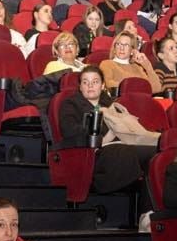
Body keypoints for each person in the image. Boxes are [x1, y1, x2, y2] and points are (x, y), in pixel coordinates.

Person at [56, 69, 156, 197]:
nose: (90, 85)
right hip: (91, 151)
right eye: (85, 82)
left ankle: (148, 206)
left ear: (102, 85)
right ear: (80, 87)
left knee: (156, 153)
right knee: (127, 153)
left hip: (121, 144)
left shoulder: (112, 104)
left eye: (95, 82)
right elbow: (69, 131)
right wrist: (103, 136)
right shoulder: (70, 104)